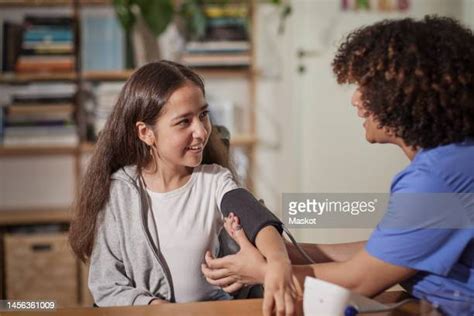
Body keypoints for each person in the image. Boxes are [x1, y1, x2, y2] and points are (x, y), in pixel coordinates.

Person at [202, 16, 474, 315]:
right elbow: (381, 253)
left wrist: (261, 272)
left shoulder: (436, 180)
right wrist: (284, 253)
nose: (356, 100)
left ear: (407, 93)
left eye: (366, 87)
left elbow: (360, 281)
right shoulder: (454, 158)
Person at [68, 61, 296, 309]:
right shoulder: (118, 194)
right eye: (184, 122)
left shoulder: (214, 180)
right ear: (146, 133)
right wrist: (158, 308)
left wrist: (277, 261)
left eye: (203, 115)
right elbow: (106, 285)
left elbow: (256, 219)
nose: (201, 131)